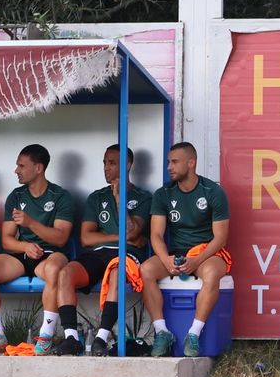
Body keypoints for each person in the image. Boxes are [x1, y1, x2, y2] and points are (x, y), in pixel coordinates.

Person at [0, 144, 75, 355]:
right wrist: (26, 246)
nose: (16, 170)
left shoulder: (60, 196)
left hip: (49, 255)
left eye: (21, 165)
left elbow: (61, 237)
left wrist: (31, 223)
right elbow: (7, 240)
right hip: (22, 254)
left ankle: (46, 335)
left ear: (38, 168)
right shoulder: (16, 196)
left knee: (56, 269)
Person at [52, 145, 153, 356]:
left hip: (127, 254)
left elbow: (133, 232)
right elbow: (86, 237)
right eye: (105, 163)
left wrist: (119, 200)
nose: (106, 168)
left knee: (116, 273)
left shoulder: (143, 197)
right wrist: (122, 236)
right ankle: (71, 337)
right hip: (99, 253)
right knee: (65, 273)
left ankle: (101, 337)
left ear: (128, 165)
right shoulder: (96, 198)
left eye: (112, 163)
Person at [140, 141, 231, 357]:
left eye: (174, 162)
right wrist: (166, 259)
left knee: (212, 273)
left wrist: (196, 261)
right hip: (176, 253)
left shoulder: (213, 192)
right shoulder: (163, 193)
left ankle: (194, 333)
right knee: (146, 270)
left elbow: (220, 239)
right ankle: (162, 332)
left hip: (206, 253)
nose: (169, 167)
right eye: (168, 162)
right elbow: (156, 235)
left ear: (191, 163)